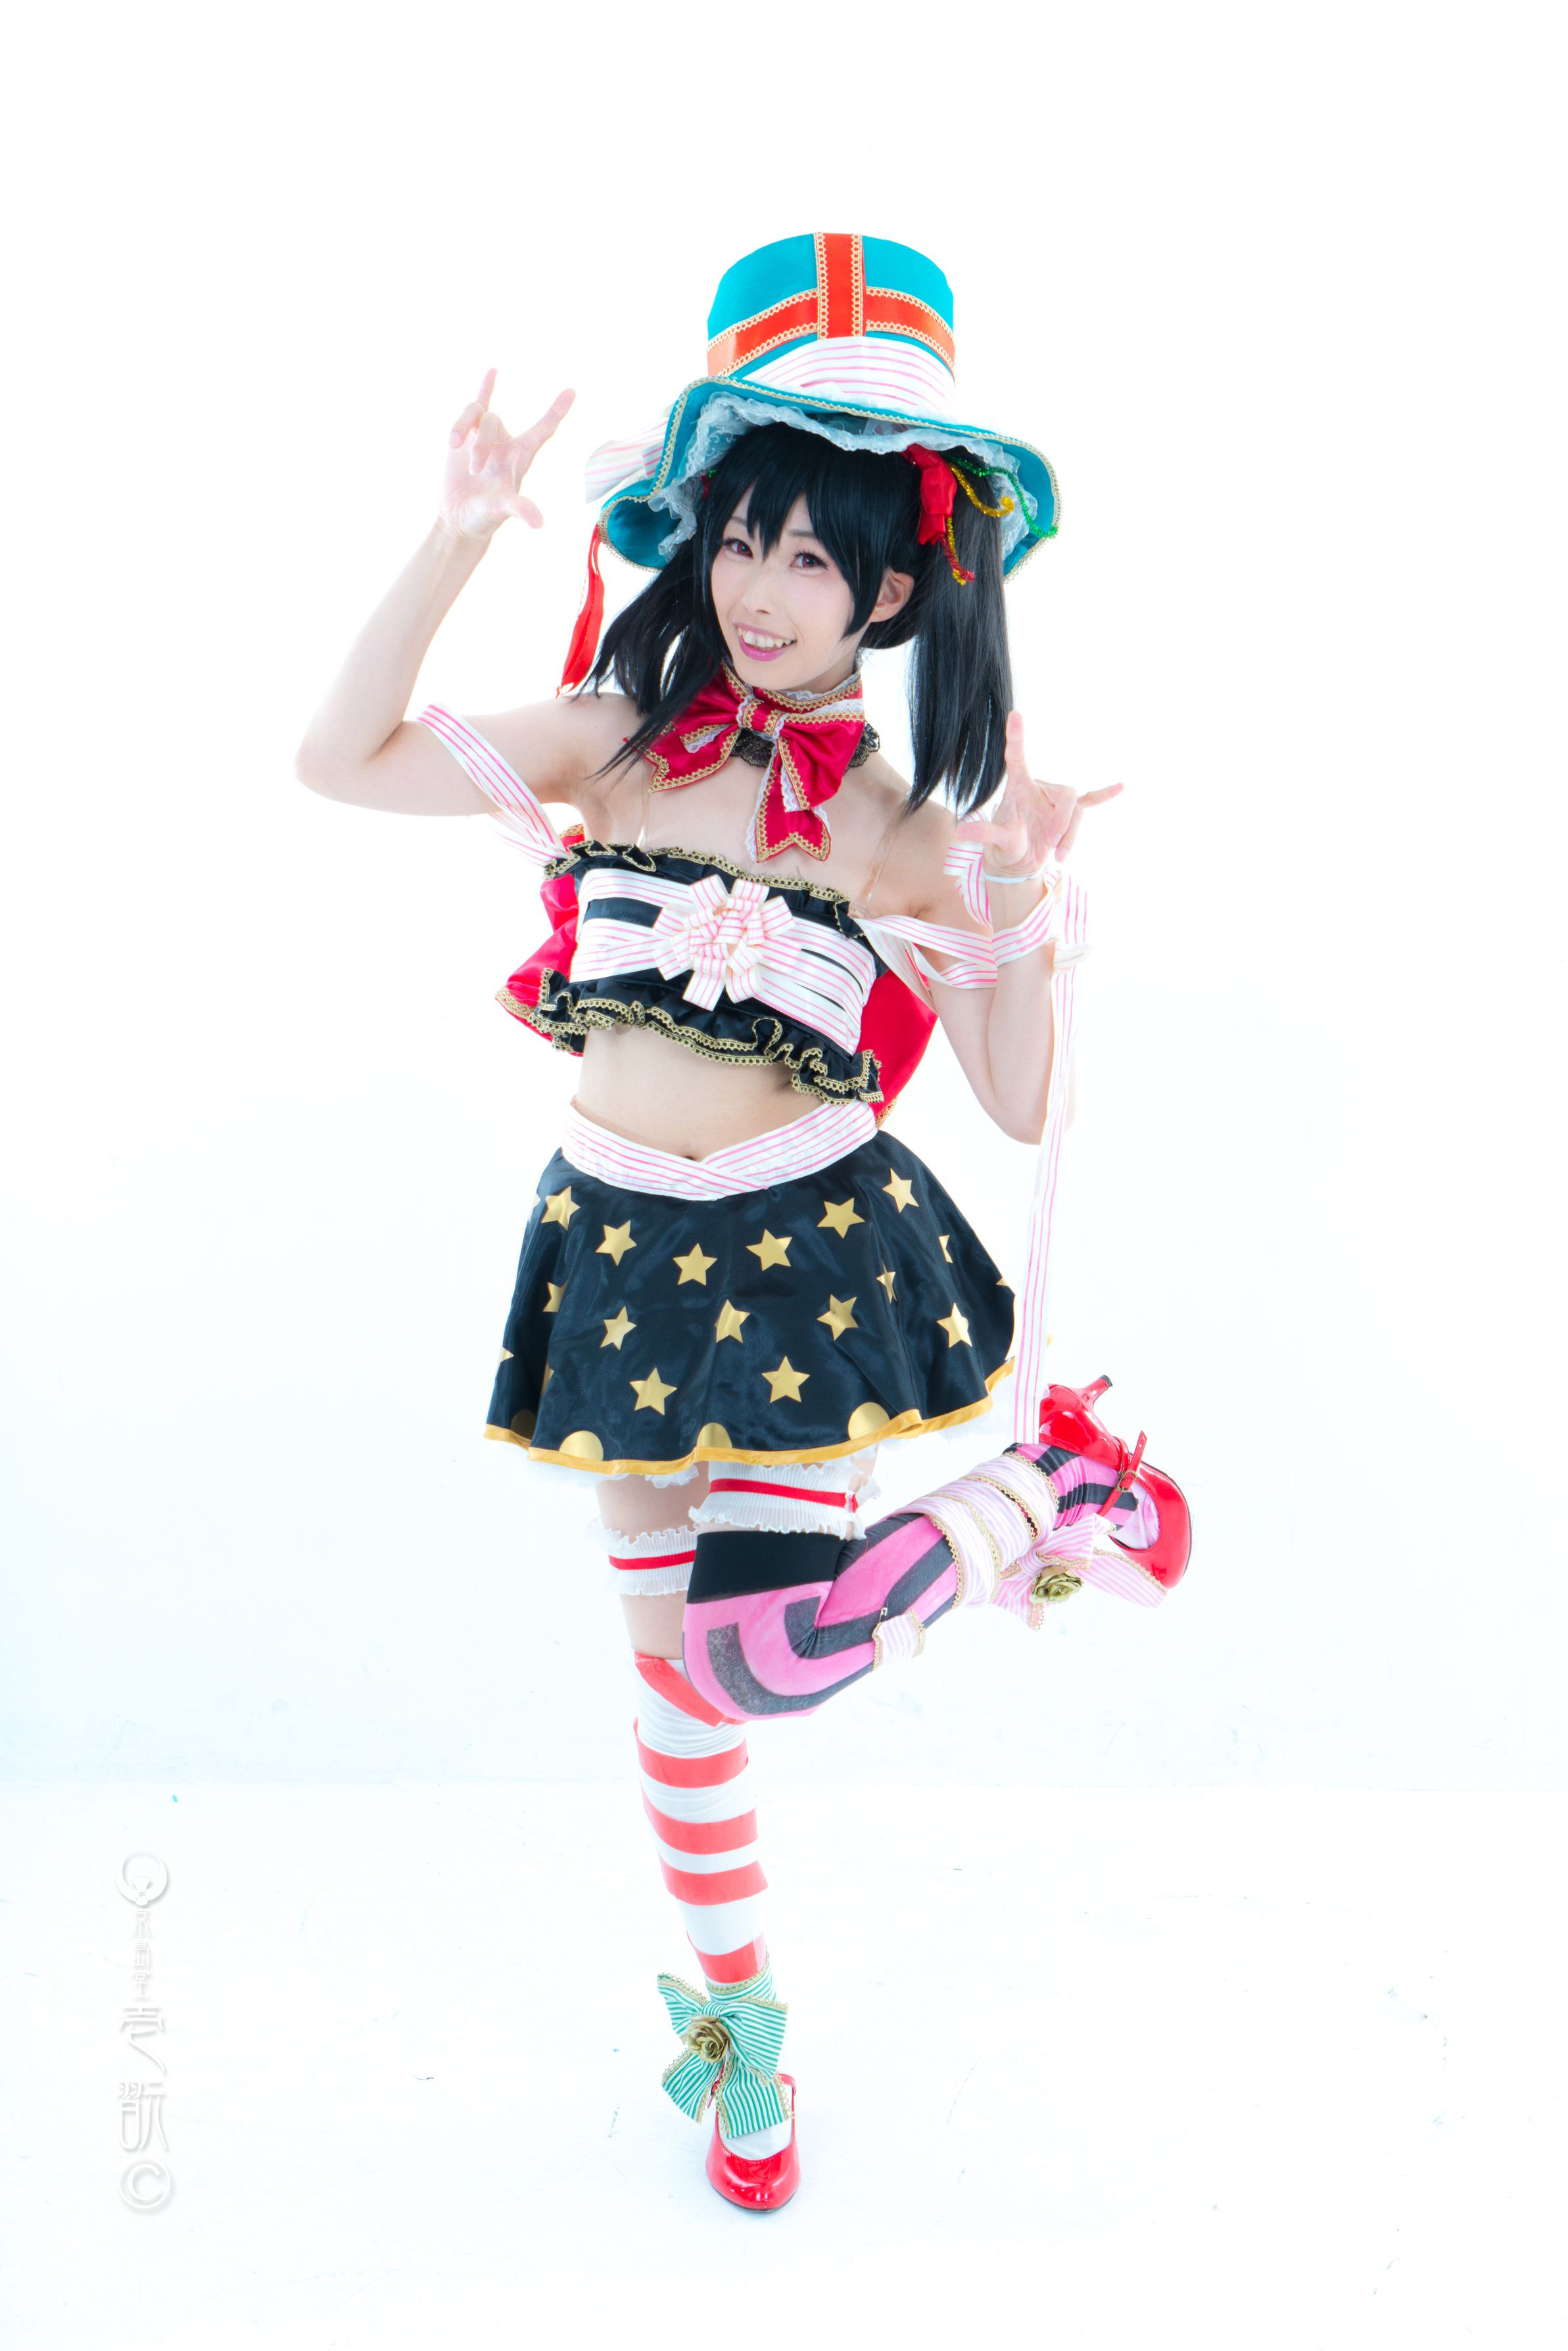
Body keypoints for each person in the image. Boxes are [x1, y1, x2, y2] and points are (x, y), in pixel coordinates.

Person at [296, 233, 1191, 2212]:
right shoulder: (617, 738)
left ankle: (1050, 1497)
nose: (756, 590)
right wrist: (453, 537)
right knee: (680, 1710)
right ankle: (740, 2034)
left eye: (804, 557)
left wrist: (1024, 907)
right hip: (618, 1252)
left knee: (763, 1658)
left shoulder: (902, 827)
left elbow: (1023, 1098)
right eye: (736, 542)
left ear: (893, 590)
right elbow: (336, 762)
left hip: (800, 1258)